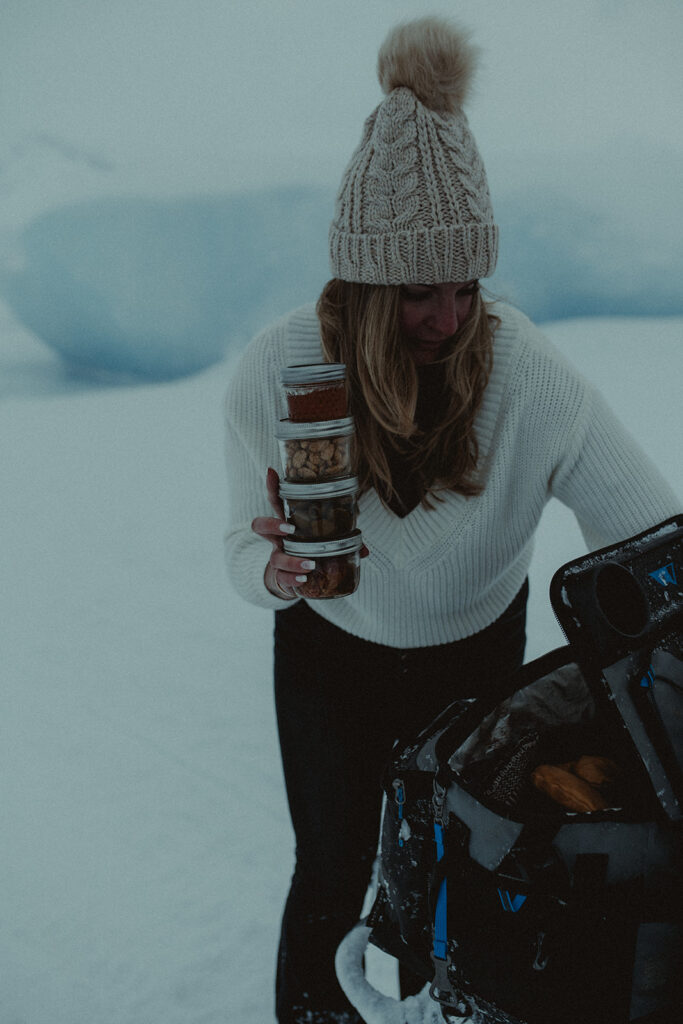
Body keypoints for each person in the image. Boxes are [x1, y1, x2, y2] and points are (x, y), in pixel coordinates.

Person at [223, 17, 680, 1024]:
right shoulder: (283, 371)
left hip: (475, 656)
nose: (449, 316)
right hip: (326, 652)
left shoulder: (527, 375)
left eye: (467, 285)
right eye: (418, 292)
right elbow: (235, 546)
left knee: (457, 873)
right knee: (333, 862)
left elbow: (653, 541)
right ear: (361, 286)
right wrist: (272, 572)